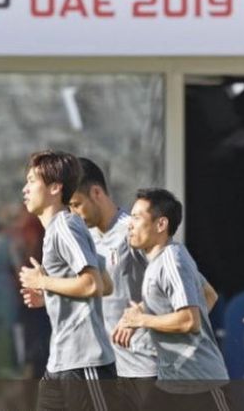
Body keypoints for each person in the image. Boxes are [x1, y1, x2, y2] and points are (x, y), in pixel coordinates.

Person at [65, 158, 220, 409]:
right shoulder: (87, 240)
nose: (73, 214)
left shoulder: (136, 233)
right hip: (114, 372)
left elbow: (206, 295)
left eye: (77, 205)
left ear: (96, 193)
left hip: (151, 371)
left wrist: (148, 322)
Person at [15, 150, 117, 411]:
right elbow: (106, 283)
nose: (25, 189)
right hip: (60, 362)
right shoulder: (58, 230)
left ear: (55, 187)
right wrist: (49, 294)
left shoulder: (65, 226)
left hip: (85, 364)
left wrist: (43, 282)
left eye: (31, 181)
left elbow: (94, 284)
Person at [117, 188, 229, 410]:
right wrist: (141, 315)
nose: (130, 224)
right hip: (171, 383)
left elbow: (189, 320)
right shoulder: (161, 259)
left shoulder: (172, 261)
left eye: (137, 218)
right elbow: (208, 294)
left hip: (202, 384)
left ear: (161, 225)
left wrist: (142, 320)